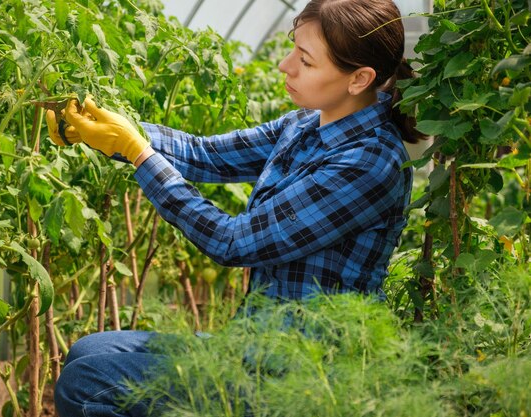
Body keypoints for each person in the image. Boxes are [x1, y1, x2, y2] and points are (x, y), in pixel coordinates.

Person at [48, 0, 426, 415]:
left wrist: (139, 155)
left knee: (86, 384)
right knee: (87, 351)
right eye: (292, 49)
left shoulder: (368, 163)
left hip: (299, 377)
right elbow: (206, 155)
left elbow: (232, 242)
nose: (285, 66)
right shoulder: (305, 124)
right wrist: (107, 132)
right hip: (254, 345)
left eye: (305, 60)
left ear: (359, 79)